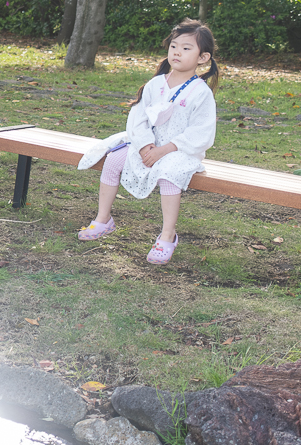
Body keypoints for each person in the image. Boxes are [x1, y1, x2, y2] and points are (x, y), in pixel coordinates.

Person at [75, 19, 220, 265]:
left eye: (186, 48)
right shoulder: (155, 84)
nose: (177, 52)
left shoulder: (200, 92)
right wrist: (144, 146)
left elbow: (201, 132)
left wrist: (165, 150)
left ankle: (167, 236)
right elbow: (138, 119)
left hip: (179, 151)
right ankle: (103, 219)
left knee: (169, 174)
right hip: (147, 146)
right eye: (174, 46)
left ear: (203, 57)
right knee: (113, 160)